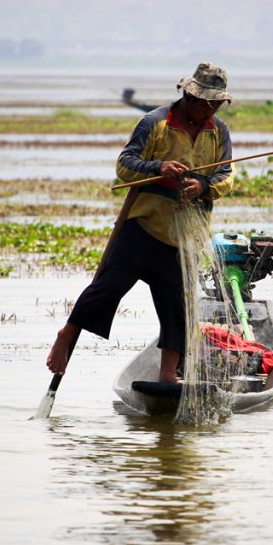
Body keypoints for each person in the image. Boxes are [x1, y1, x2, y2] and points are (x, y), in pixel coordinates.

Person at [46, 61, 235, 383]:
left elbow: (226, 175)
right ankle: (66, 333)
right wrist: (158, 167)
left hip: (183, 233)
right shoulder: (155, 123)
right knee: (108, 287)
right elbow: (125, 165)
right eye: (208, 102)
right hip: (145, 223)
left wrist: (203, 186)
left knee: (178, 306)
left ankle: (167, 375)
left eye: (218, 103)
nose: (213, 108)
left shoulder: (218, 131)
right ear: (190, 96)